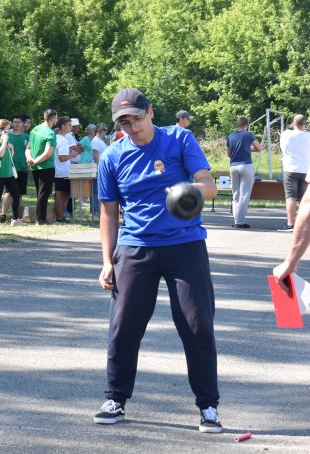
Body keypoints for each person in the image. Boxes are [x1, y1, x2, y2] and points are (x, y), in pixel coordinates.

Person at [94, 88, 222, 434]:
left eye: (136, 118)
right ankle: (115, 399)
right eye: (124, 122)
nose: (132, 127)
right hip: (135, 248)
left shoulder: (179, 139)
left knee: (197, 326)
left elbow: (209, 186)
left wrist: (189, 192)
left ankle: (208, 406)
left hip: (185, 246)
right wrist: (107, 260)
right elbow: (108, 212)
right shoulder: (112, 156)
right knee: (123, 328)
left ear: (150, 112)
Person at [226, 115, 262, 229]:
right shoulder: (249, 134)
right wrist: (249, 148)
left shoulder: (231, 136)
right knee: (244, 194)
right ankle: (240, 221)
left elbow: (229, 154)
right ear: (247, 125)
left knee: (236, 194)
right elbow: (259, 148)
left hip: (233, 166)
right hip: (246, 165)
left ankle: (236, 219)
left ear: (237, 125)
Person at [0, 119, 21, 226]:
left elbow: (9, 156)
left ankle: (15, 219)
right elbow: (0, 154)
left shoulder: (5, 139)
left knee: (16, 194)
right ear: (0, 129)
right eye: (7, 128)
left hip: (8, 172)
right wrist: (5, 142)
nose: (9, 131)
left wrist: (12, 149)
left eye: (9, 128)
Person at [279, 114, 310, 232]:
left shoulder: (286, 134)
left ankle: (290, 224)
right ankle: (304, 225)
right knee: (304, 199)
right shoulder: (308, 136)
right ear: (305, 124)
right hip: (306, 169)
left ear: (293, 123)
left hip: (290, 168)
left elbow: (283, 149)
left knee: (290, 197)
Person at [26, 109, 57, 224]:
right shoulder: (50, 133)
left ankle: (40, 217)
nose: (56, 120)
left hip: (35, 167)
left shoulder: (35, 129)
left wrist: (30, 159)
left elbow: (28, 148)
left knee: (40, 193)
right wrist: (34, 161)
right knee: (44, 193)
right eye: (56, 118)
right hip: (46, 167)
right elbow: (47, 154)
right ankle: (41, 219)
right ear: (53, 119)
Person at [1, 114, 30, 221]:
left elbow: (30, 152)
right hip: (10, 169)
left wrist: (30, 165)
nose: (17, 124)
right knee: (9, 192)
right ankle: (3, 215)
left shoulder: (26, 137)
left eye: (19, 122)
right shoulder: (7, 136)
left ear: (22, 123)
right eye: (15, 122)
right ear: (12, 123)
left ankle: (16, 216)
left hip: (23, 168)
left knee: (20, 193)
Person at [53, 116, 80, 224]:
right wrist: (71, 155)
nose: (71, 127)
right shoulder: (62, 139)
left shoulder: (59, 138)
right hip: (61, 171)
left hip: (63, 170)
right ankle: (59, 217)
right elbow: (62, 158)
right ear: (63, 126)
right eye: (69, 125)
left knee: (66, 194)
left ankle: (62, 216)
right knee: (60, 194)